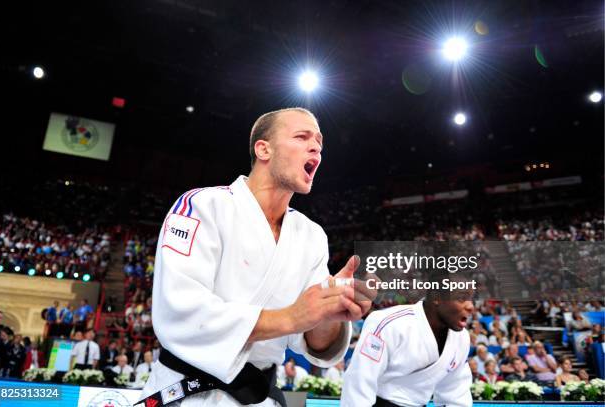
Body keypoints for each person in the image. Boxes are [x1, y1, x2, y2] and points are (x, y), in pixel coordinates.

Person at [139, 108, 376, 407]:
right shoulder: (202, 206)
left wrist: (331, 310)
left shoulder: (311, 235)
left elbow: (314, 341)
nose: (315, 146)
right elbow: (182, 310)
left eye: (318, 141)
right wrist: (290, 316)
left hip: (262, 399)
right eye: (302, 137)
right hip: (189, 394)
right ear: (263, 149)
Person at [340, 284, 474, 407]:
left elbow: (456, 395)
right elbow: (359, 382)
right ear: (437, 298)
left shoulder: (461, 338)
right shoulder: (388, 323)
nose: (471, 307)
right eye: (462, 298)